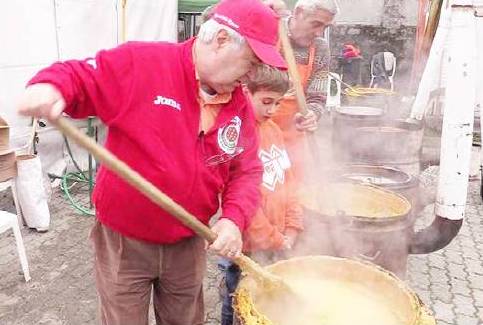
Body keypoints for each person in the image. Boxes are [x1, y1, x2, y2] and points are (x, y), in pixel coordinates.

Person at [16, 1, 287, 324]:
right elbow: (79, 76)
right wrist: (50, 86)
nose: (253, 74)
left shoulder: (238, 104)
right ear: (222, 40)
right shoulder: (145, 63)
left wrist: (232, 218)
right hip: (124, 241)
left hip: (189, 241)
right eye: (252, 61)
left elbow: (246, 171)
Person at [220, 65, 303, 325]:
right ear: (246, 92)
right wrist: (274, 238)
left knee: (267, 304)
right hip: (247, 247)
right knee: (236, 299)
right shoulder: (236, 138)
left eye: (277, 103)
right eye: (266, 102)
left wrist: (292, 226)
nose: (272, 110)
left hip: (277, 239)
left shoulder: (275, 131)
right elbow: (244, 205)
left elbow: (289, 184)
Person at [271, 0, 339, 182]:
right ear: (299, 12)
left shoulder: (320, 48)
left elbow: (317, 97)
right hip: (258, 133)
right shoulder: (270, 31)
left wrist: (311, 115)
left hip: (294, 135)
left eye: (325, 26)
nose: (319, 32)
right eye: (316, 24)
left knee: (297, 191)